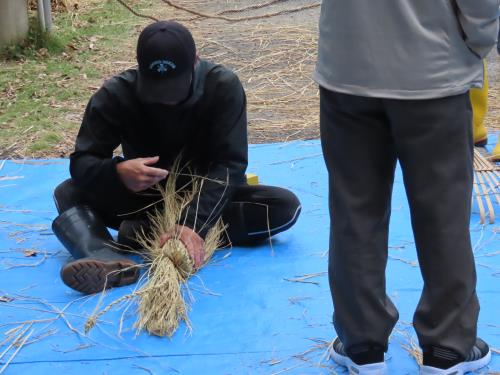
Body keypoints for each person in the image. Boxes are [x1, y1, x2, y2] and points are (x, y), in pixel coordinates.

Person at [314, 1, 499, 374]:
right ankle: (447, 347)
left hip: (348, 67)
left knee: (355, 212)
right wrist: (479, 42)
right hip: (432, 70)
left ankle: (362, 344)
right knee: (443, 216)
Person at [52, 21, 301, 295]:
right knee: (68, 194)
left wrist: (193, 223)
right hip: (143, 199)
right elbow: (82, 161)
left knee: (283, 207)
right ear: (139, 66)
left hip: (203, 198)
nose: (166, 100)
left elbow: (230, 166)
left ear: (195, 62)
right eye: (156, 90)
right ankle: (106, 257)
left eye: (175, 88)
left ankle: (141, 232)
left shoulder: (222, 87)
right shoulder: (115, 94)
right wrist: (118, 172)